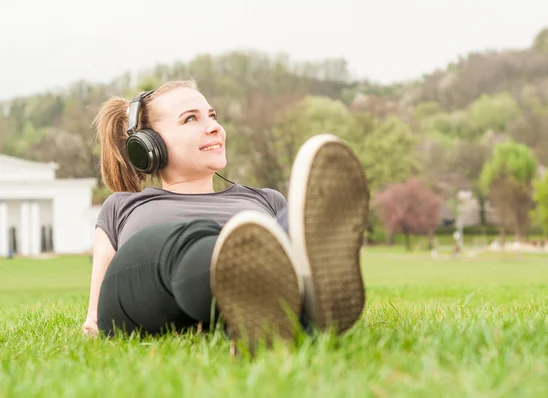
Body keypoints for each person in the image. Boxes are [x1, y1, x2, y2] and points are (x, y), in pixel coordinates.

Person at [82, 79, 370, 351]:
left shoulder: (265, 199)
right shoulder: (122, 206)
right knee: (182, 242)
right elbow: (95, 315)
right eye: (190, 119)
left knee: (281, 230)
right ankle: (255, 276)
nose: (215, 127)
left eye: (213, 116)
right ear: (147, 145)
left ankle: (280, 304)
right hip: (146, 296)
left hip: (238, 294)